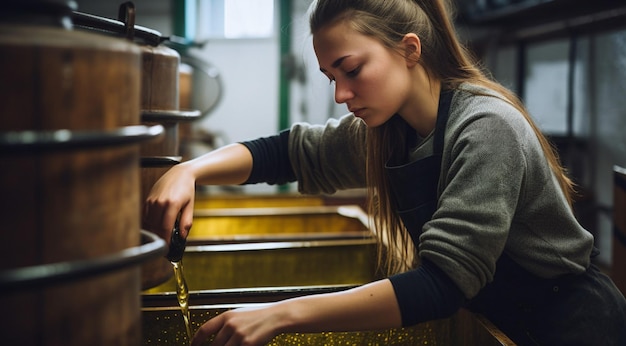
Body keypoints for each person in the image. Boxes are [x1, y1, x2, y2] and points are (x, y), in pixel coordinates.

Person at [143, 0, 626, 345]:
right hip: (498, 320)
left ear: (410, 49)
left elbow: (441, 284)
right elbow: (288, 152)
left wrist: (279, 315)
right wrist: (190, 171)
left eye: (351, 69)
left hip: (568, 325)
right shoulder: (390, 132)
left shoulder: (485, 127)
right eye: (332, 77)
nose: (340, 94)